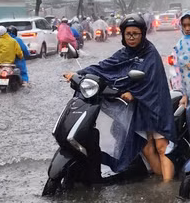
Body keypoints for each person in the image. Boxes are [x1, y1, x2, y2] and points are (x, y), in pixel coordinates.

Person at [63, 15, 176, 181]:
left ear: (142, 34)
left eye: (135, 33)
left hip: (156, 106)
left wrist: (134, 93)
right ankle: (159, 182)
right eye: (128, 33)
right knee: (146, 149)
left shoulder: (150, 54)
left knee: (161, 147)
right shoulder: (124, 54)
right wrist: (79, 74)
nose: (131, 37)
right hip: (137, 109)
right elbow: (105, 67)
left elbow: (153, 82)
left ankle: (167, 189)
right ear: (123, 35)